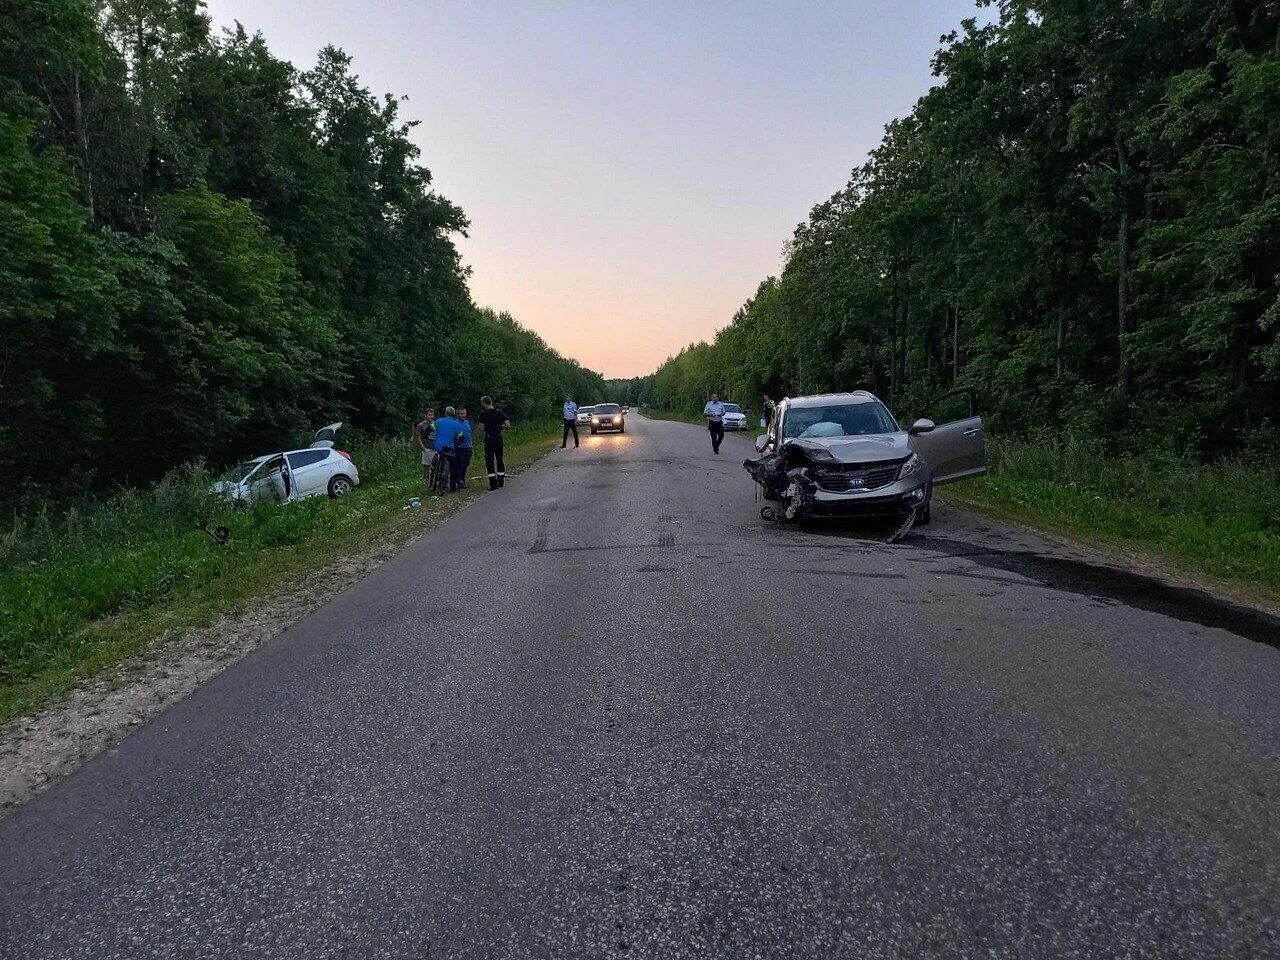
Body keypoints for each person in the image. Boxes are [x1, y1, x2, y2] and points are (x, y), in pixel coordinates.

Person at [479, 395, 511, 490]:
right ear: (491, 402)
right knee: (499, 458)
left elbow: (482, 428)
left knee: (489, 460)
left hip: (489, 438)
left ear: (484, 403)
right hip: (498, 437)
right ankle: (501, 480)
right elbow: (508, 424)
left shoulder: (483, 414)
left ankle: (493, 484)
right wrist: (500, 427)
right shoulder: (499, 412)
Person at [432, 406, 466, 492]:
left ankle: (435, 473)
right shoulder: (456, 424)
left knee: (439, 457)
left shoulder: (439, 421)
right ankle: (452, 487)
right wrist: (458, 444)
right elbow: (461, 436)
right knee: (453, 466)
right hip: (449, 448)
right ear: (454, 414)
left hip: (438, 446)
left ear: (445, 413)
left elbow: (431, 428)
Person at [415, 407, 436, 489]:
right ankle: (427, 483)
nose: (431, 416)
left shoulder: (434, 424)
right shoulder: (421, 425)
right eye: (430, 415)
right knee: (426, 466)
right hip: (426, 447)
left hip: (435, 447)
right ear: (426, 415)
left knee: (435, 466)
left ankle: (434, 481)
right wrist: (423, 448)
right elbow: (418, 437)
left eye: (432, 415)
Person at [455, 404, 473, 488]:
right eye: (461, 414)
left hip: (468, 447)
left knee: (466, 464)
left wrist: (471, 445)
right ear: (458, 415)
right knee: (460, 464)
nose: (463, 415)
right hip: (459, 448)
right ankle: (460, 480)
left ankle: (462, 478)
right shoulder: (455, 423)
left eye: (464, 413)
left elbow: (469, 434)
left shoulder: (467, 422)